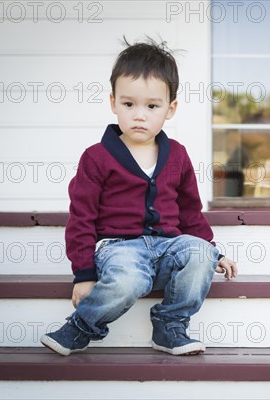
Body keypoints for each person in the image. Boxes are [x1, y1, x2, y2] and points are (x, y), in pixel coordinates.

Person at [40, 37, 238, 357]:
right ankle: (81, 325)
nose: (140, 115)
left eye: (152, 106)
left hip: (166, 248)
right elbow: (82, 217)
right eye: (129, 104)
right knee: (128, 279)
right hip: (119, 249)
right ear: (113, 102)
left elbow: (190, 211)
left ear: (170, 109)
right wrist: (84, 275)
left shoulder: (178, 156)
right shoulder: (97, 157)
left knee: (200, 253)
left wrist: (213, 251)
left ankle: (170, 326)